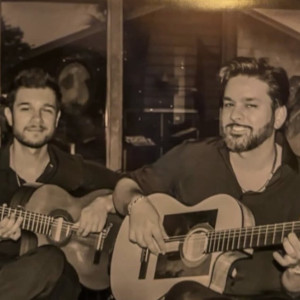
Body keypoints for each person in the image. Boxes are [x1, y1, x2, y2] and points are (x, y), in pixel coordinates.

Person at [113, 57, 300, 299]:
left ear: (279, 116)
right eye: (229, 104)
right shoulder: (193, 156)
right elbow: (125, 186)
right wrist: (136, 206)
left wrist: (294, 281)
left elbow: (292, 289)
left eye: (250, 106)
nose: (235, 116)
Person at [0, 68, 120, 300]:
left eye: (46, 110)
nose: (37, 119)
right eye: (26, 109)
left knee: (56, 264)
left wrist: (104, 204)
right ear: (9, 116)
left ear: (56, 119)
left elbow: (131, 185)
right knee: (49, 260)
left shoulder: (74, 169)